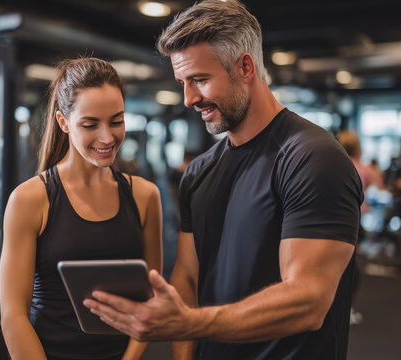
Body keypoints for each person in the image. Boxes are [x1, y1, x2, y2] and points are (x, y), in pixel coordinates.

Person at [83, 1, 363, 359]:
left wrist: (187, 323)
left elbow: (308, 300)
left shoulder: (312, 158)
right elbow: (186, 278)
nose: (188, 98)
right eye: (183, 83)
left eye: (199, 80)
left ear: (245, 66)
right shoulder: (199, 173)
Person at [0, 57, 162, 360]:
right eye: (90, 124)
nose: (107, 137)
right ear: (63, 122)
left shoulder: (144, 196)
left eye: (117, 121)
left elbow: (152, 302)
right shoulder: (30, 199)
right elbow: (12, 316)